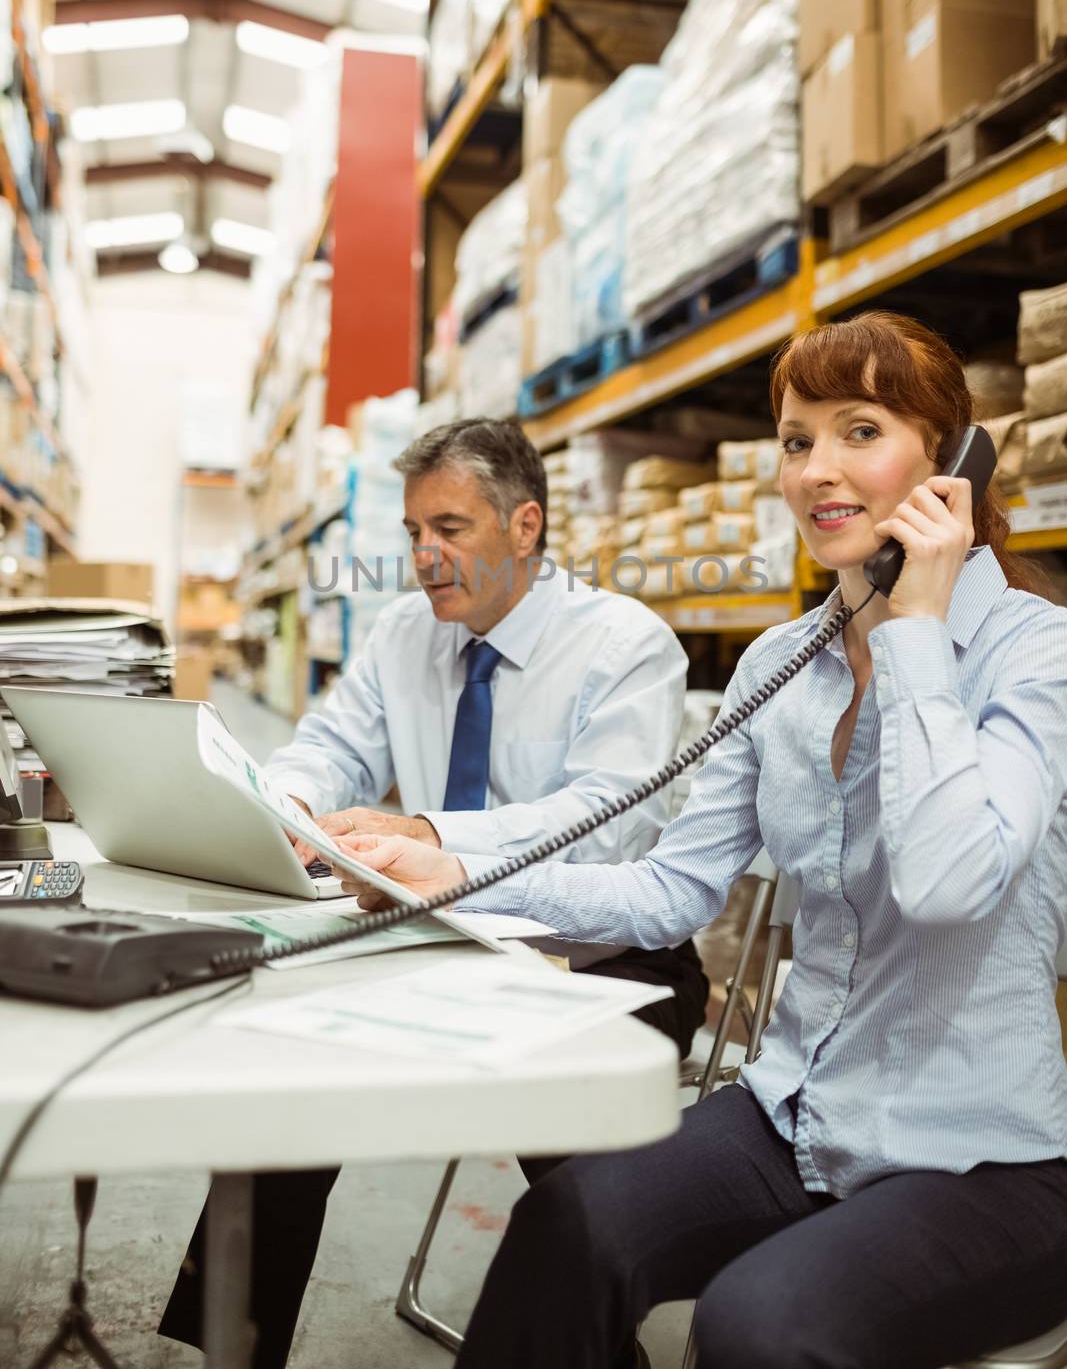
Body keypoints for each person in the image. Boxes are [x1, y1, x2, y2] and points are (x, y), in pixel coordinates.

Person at [338, 313, 1067, 1369]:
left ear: (948, 460)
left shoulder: (1034, 655)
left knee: (757, 1324)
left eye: (859, 431)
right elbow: (670, 889)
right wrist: (458, 870)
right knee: (566, 1223)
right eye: (794, 439)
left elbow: (947, 878)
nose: (816, 470)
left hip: (981, 1163)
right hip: (797, 1121)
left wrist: (913, 626)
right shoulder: (786, 659)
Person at [159, 415, 708, 1368]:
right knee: (277, 1096)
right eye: (414, 531)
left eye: (449, 529)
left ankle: (590, 1346)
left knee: (577, 1195)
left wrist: (431, 836)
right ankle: (232, 1353)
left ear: (525, 526)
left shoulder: (626, 646)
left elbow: (609, 822)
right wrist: (279, 805)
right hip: (440, 945)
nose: (423, 555)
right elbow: (332, 747)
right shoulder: (405, 635)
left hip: (604, 961)